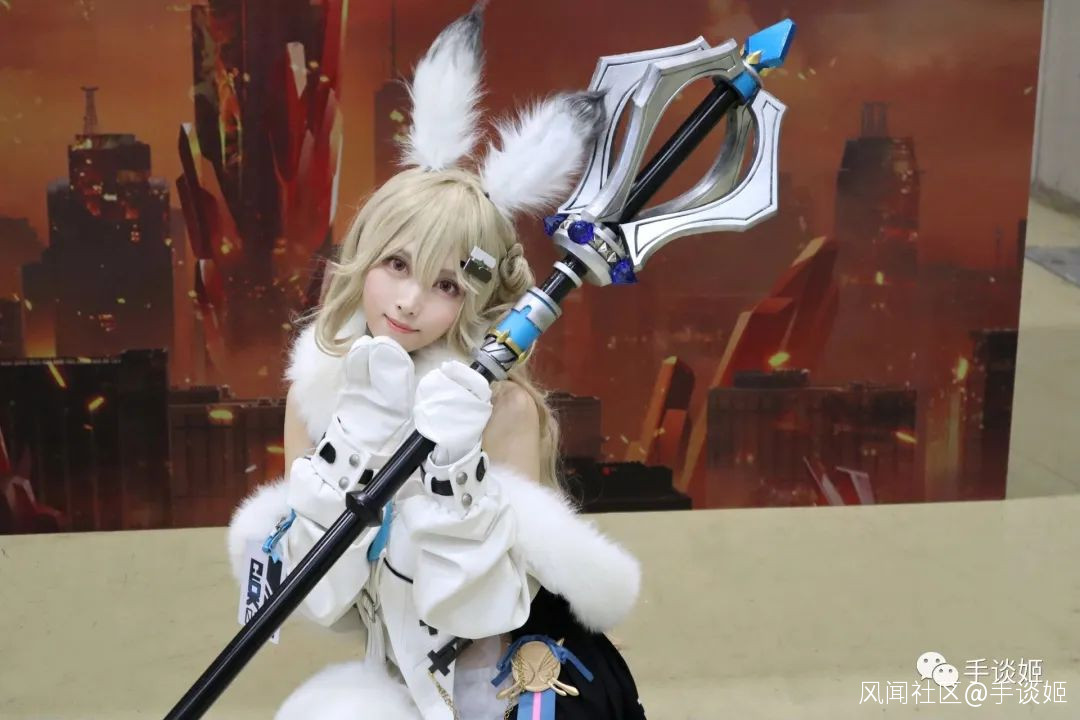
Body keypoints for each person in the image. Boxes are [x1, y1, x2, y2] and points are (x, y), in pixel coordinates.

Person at [227, 5, 646, 719]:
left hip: (511, 683)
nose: (410, 302)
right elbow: (323, 603)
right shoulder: (316, 395)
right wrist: (352, 449)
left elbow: (491, 606)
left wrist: (453, 470)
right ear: (365, 256)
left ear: (475, 298)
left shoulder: (502, 407)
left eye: (447, 285)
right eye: (396, 264)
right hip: (394, 683)